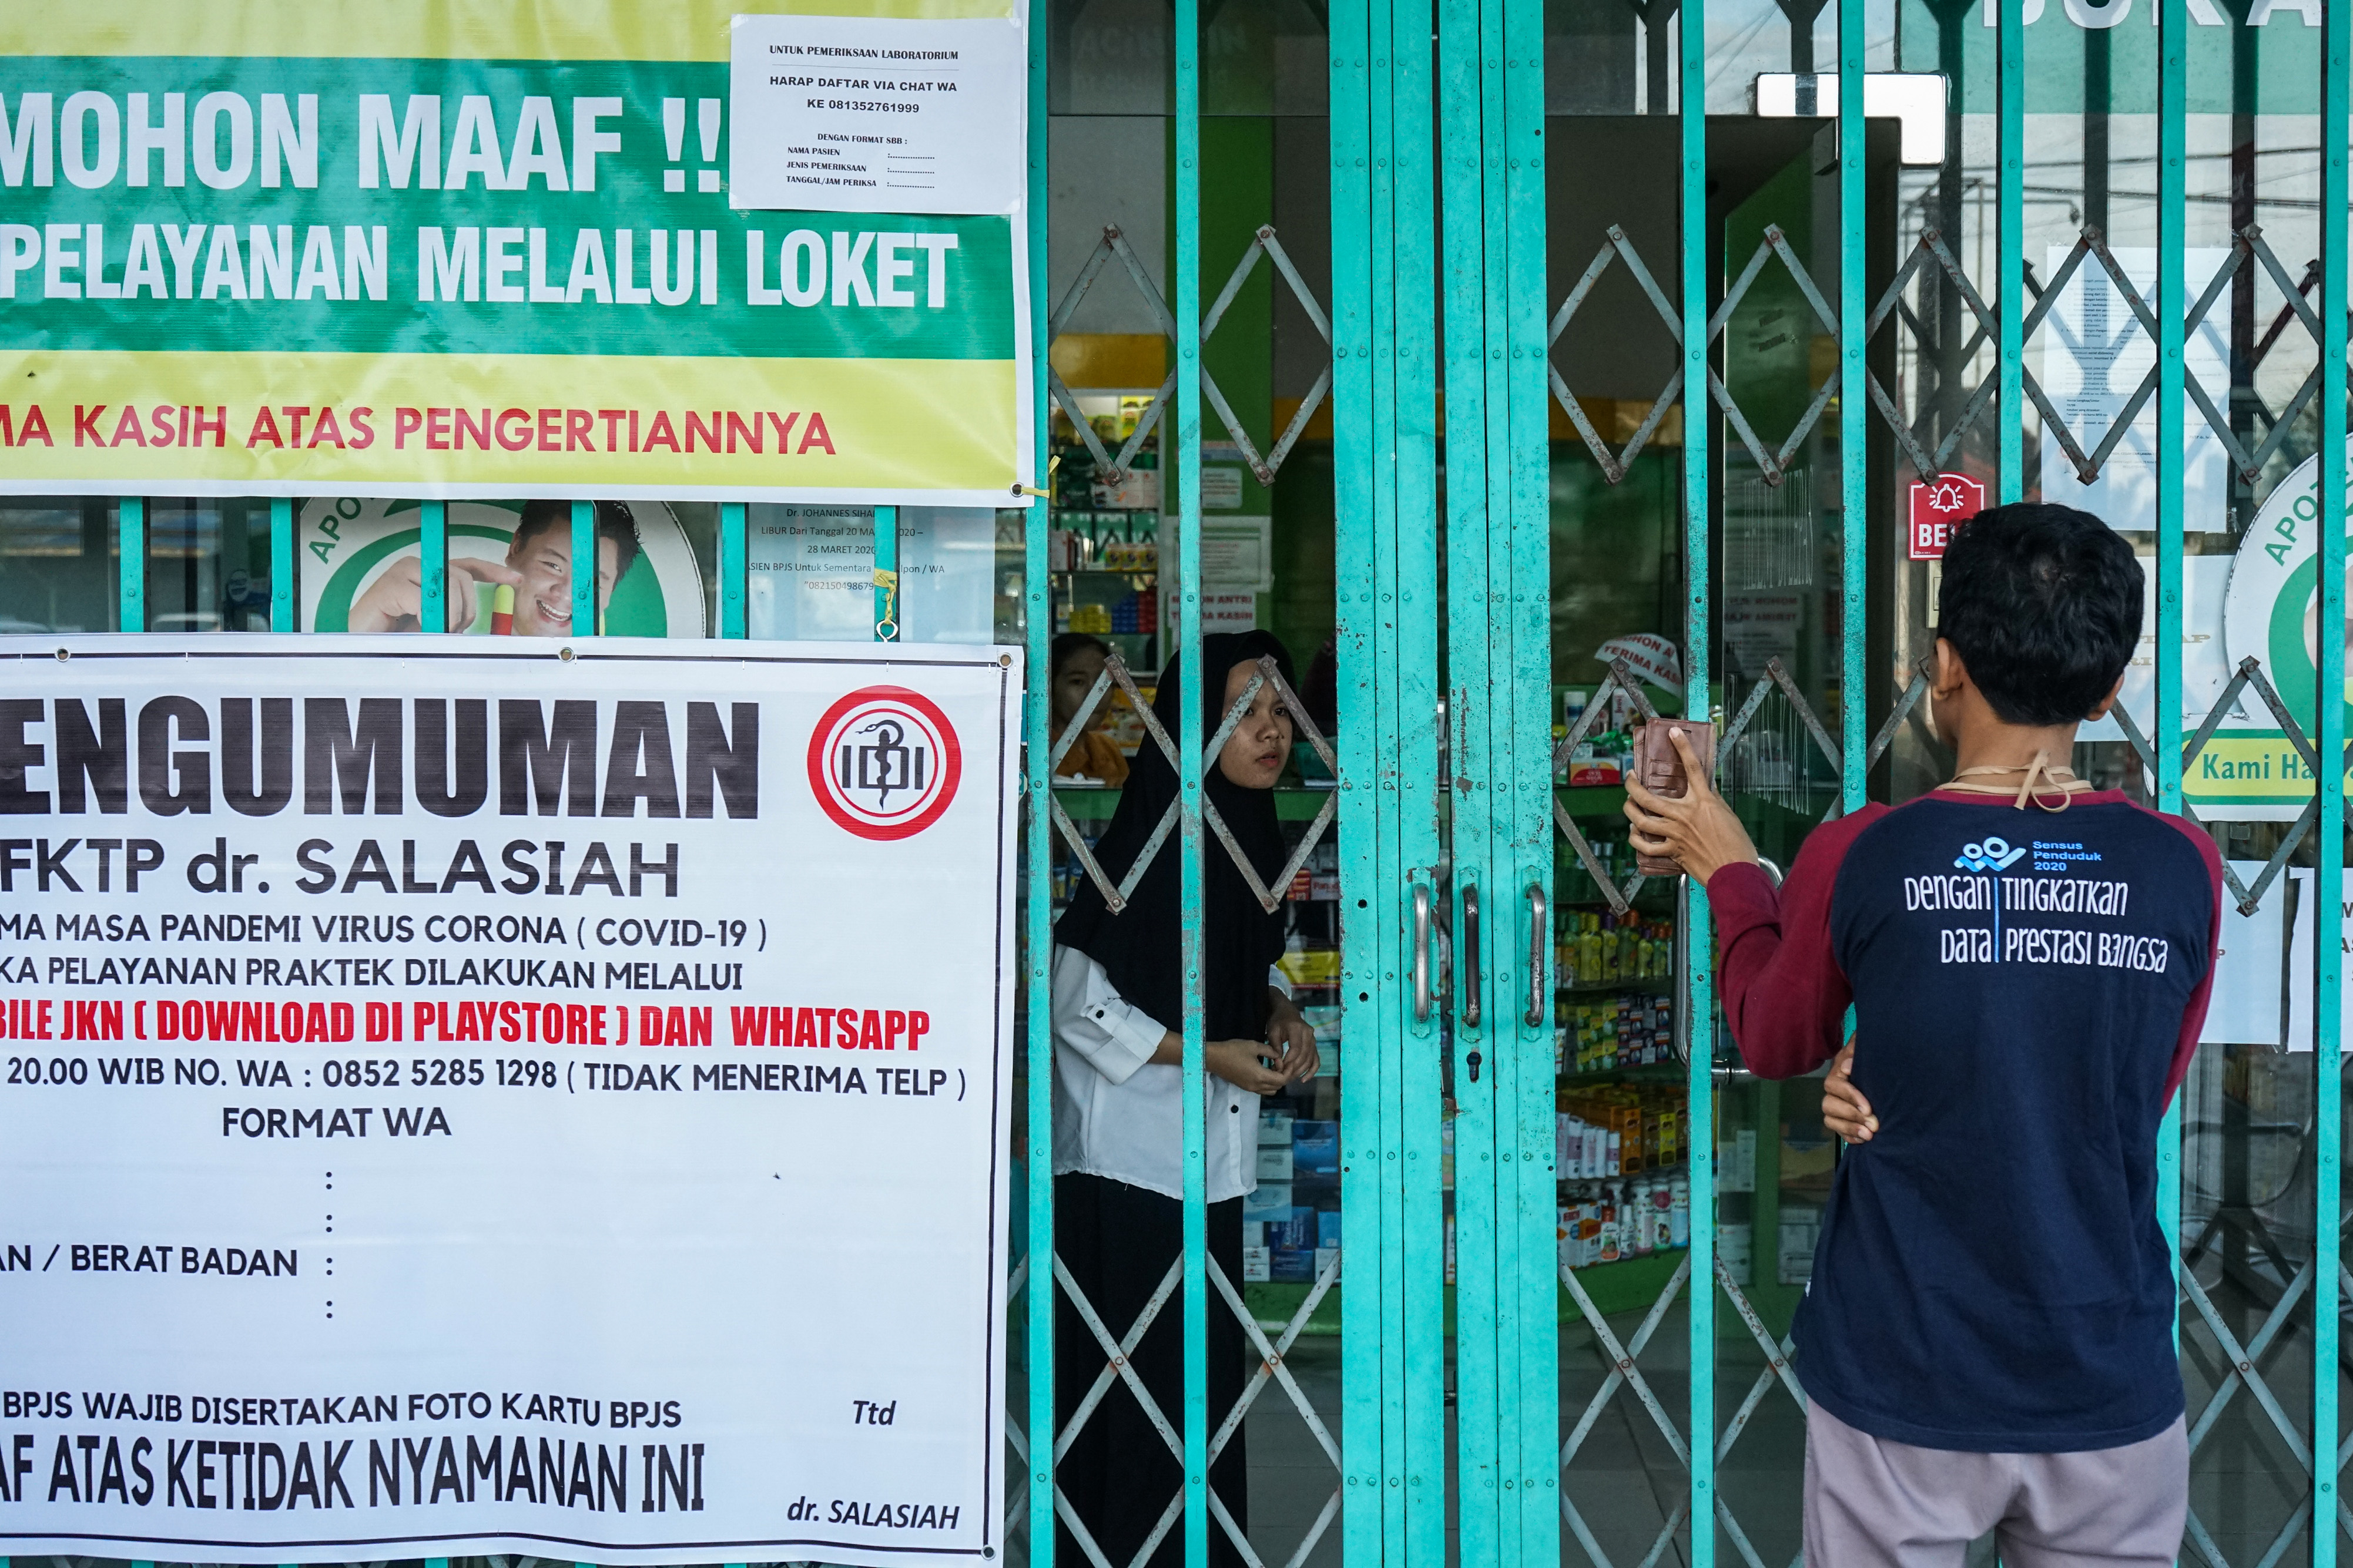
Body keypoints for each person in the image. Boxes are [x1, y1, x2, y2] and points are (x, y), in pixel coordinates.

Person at [1624, 502, 2221, 1568]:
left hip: (1904, 1370)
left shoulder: (1862, 850)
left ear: (1940, 663)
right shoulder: (2183, 864)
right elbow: (2134, 1084)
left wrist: (1729, 869)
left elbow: (1770, 1033)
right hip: (2103, 1375)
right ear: (2110, 685)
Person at [1049, 630, 1320, 1568]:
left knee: (1202, 1391)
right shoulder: (1152, 839)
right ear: (1192, 727)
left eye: (1279, 709)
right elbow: (1075, 1001)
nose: (1270, 730)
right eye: (1244, 711)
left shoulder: (1248, 841)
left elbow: (1227, 967)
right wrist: (1204, 1053)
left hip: (1205, 1167)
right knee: (1136, 1397)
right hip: (1129, 1166)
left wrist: (1279, 1005)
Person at [348, 499, 641, 634]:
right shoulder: (436, 625)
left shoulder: (623, 683)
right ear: (516, 549)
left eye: (593, 582)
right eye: (553, 565)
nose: (565, 594)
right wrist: (366, 646)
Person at [1051, 631, 1132, 785]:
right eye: (1077, 682)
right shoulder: (1038, 756)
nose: (1095, 694)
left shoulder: (1108, 749)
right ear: (1049, 688)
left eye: (1104, 682)